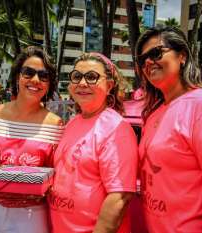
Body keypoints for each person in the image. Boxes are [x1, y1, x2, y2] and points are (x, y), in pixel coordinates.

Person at [134, 26, 202, 233]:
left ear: (182, 56)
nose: (148, 62)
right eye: (143, 60)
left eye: (156, 53)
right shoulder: (154, 113)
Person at [0, 46, 64, 233]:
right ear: (17, 76)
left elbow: (57, 174)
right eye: (28, 72)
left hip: (31, 214)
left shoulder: (55, 124)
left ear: (49, 84)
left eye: (43, 76)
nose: (35, 80)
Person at [49, 52, 138, 233]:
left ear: (109, 86)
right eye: (76, 76)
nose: (82, 83)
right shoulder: (73, 122)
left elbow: (119, 197)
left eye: (91, 77)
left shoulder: (116, 128)